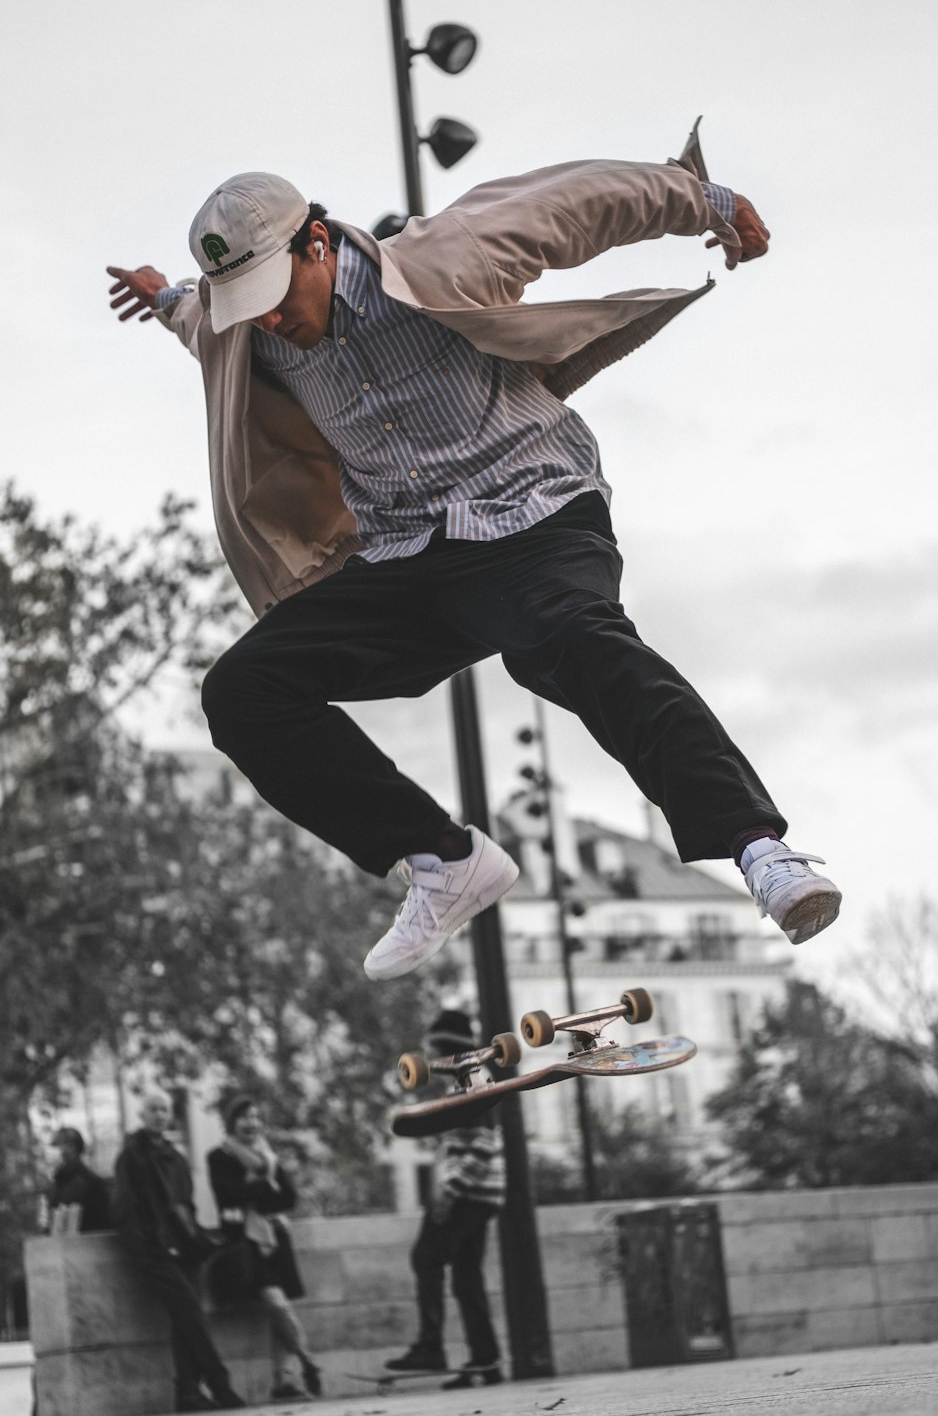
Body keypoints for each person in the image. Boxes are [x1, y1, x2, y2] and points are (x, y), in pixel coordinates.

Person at [106, 138, 842, 980]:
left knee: (577, 643)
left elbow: (579, 200)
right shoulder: (252, 329)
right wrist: (166, 298)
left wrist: (704, 202)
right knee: (242, 692)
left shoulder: (441, 257)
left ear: (317, 244)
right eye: (252, 311)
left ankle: (761, 851)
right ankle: (443, 861)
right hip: (408, 555)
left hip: (534, 512)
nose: (272, 324)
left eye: (275, 300)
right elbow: (205, 323)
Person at [386, 1009, 505, 1389]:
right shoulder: (466, 1081)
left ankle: (431, 1346)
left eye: (431, 1046)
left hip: (468, 1195)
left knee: (426, 1257)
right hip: (482, 1195)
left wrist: (448, 1193)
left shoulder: (474, 1080)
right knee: (467, 1280)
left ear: (443, 1046)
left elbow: (483, 1147)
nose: (427, 1057)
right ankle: (486, 1363)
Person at [112, 1089, 245, 1413]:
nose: (159, 1115)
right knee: (190, 1313)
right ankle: (219, 1383)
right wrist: (146, 1250)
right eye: (153, 1109)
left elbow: (186, 1206)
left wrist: (196, 1240)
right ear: (142, 1116)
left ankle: (187, 1393)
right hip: (155, 1253)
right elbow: (124, 1209)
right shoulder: (131, 1156)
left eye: (164, 1110)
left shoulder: (176, 1157)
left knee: (184, 1319)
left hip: (184, 1250)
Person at [206, 1097, 322, 1402]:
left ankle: (283, 1382)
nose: (251, 1123)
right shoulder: (219, 1156)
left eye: (256, 1117)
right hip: (245, 1243)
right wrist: (264, 1192)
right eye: (244, 1117)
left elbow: (288, 1199)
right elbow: (228, 1193)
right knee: (275, 1303)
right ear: (231, 1123)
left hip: (274, 1240)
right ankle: (308, 1359)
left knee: (278, 1309)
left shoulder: (268, 1157)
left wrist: (256, 1195)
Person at [46, 1127, 112, 1233]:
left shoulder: (91, 1183)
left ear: (72, 1147)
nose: (51, 1151)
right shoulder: (57, 1182)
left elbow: (103, 1224)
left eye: (56, 1145)